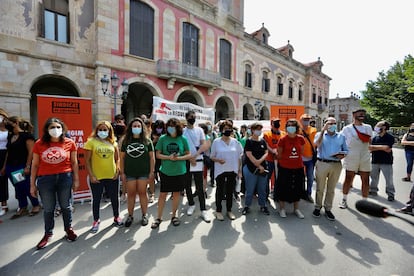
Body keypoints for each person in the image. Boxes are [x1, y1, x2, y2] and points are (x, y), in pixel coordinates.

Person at [30, 117, 79, 249]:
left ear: (63, 129)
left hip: (65, 177)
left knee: (66, 206)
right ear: (47, 129)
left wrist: (76, 180)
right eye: (52, 127)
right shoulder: (39, 144)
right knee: (48, 208)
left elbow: (74, 163)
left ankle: (68, 229)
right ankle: (48, 233)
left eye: (58, 127)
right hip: (45, 179)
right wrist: (32, 185)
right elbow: (34, 165)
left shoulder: (70, 143)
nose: (55, 130)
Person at [151, 118, 192, 229]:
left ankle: (174, 216)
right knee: (163, 195)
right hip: (166, 171)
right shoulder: (163, 139)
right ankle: (158, 217)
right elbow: (158, 154)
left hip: (179, 171)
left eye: (173, 126)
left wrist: (179, 158)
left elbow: (189, 155)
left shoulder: (183, 139)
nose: (170, 128)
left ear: (177, 127)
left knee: (176, 194)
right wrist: (168, 157)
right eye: (169, 125)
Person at [84, 121, 123, 233]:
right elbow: (87, 161)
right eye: (100, 129)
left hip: (112, 176)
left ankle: (116, 217)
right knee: (96, 199)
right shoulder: (91, 142)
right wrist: (91, 175)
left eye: (105, 130)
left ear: (109, 131)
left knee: (115, 198)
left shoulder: (113, 142)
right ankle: (96, 220)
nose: (102, 132)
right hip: (97, 177)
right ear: (97, 130)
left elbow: (117, 158)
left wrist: (117, 170)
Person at [1, 116, 41, 219]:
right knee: (18, 188)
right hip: (11, 166)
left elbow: (30, 152)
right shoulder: (11, 136)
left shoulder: (26, 136)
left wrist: (27, 166)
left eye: (7, 122)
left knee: (25, 186)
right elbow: (8, 152)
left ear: (16, 123)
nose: (5, 124)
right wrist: (5, 166)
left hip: (21, 165)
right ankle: (22, 206)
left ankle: (35, 205)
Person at [120, 117, 155, 227]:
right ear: (131, 128)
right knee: (131, 194)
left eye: (138, 126)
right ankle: (130, 216)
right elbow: (122, 158)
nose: (136, 128)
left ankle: (144, 215)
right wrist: (122, 173)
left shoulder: (147, 141)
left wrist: (151, 172)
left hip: (143, 172)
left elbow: (152, 158)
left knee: (142, 193)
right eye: (134, 126)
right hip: (130, 172)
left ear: (142, 128)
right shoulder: (126, 141)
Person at [313, 117, 348, 221]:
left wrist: (343, 155)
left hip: (336, 164)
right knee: (320, 188)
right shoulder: (320, 134)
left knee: (331, 188)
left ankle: (328, 208)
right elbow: (317, 145)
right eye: (330, 123)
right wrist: (323, 131)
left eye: (334, 123)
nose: (332, 125)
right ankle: (317, 207)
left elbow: (345, 150)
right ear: (325, 124)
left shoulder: (341, 136)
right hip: (322, 163)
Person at [339, 108, 373, 209]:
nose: (362, 114)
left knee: (366, 179)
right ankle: (344, 200)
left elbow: (370, 141)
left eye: (363, 113)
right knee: (349, 178)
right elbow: (342, 143)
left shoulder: (368, 127)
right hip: (352, 155)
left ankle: (364, 203)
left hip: (365, 155)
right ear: (354, 114)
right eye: (359, 113)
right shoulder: (347, 129)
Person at [210, 120, 243, 220]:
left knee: (230, 191)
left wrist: (239, 170)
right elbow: (211, 156)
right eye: (225, 129)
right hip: (220, 170)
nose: (228, 130)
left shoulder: (235, 142)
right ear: (221, 130)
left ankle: (229, 210)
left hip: (232, 170)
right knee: (220, 190)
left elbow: (239, 156)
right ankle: (218, 210)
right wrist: (218, 160)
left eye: (229, 128)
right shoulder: (216, 142)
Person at [183, 110, 210, 222]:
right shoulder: (183, 131)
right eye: (190, 116)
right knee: (187, 185)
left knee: (200, 186)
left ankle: (203, 209)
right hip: (186, 160)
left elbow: (203, 144)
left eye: (193, 116)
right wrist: (190, 158)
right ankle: (191, 204)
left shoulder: (199, 130)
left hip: (198, 160)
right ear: (186, 118)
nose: (192, 118)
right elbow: (181, 146)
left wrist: (196, 156)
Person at [275, 118, 306, 219]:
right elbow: (279, 155)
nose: (290, 127)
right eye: (288, 126)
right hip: (285, 168)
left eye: (293, 126)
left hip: (298, 167)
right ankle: (282, 209)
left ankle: (296, 209)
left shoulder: (301, 139)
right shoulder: (282, 140)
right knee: (283, 188)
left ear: (296, 128)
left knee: (297, 188)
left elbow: (301, 153)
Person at [241, 122, 269, 216]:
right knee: (250, 189)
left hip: (262, 168)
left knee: (262, 189)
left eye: (260, 129)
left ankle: (263, 205)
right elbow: (248, 154)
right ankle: (247, 206)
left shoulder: (262, 141)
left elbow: (266, 152)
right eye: (257, 129)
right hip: (250, 168)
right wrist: (256, 163)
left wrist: (260, 162)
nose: (259, 131)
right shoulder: (249, 141)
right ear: (252, 130)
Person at [369, 121, 395, 201]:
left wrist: (375, 147)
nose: (376, 127)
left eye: (378, 126)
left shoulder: (390, 137)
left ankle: (390, 194)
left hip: (386, 161)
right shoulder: (375, 138)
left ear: (383, 127)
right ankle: (373, 190)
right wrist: (381, 147)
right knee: (374, 177)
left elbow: (387, 148)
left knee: (389, 179)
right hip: (375, 160)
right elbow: (370, 148)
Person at [263, 117, 285, 199]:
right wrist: (272, 151)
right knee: (267, 177)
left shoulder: (283, 134)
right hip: (269, 159)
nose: (277, 124)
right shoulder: (267, 134)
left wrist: (279, 152)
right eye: (275, 122)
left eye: (278, 122)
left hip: (280, 159)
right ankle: (266, 195)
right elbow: (265, 144)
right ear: (271, 124)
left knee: (278, 177)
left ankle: (276, 194)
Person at [299, 114, 317, 203]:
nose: (306, 121)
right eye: (305, 119)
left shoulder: (314, 130)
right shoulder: (297, 130)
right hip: (300, 158)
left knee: (310, 177)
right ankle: (301, 193)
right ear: (301, 120)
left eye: (308, 119)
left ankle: (309, 194)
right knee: (300, 177)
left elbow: (316, 142)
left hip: (310, 159)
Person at [150, 119, 166, 202]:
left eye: (160, 127)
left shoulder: (165, 135)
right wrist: (154, 141)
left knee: (163, 173)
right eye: (157, 127)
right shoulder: (152, 134)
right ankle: (152, 193)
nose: (159, 129)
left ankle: (165, 189)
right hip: (154, 156)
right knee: (153, 173)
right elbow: (149, 146)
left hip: (163, 156)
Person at [0, 109, 9, 216]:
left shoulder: (9, 130)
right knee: (1, 180)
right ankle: (4, 204)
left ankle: (22, 203)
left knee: (17, 179)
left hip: (8, 155)